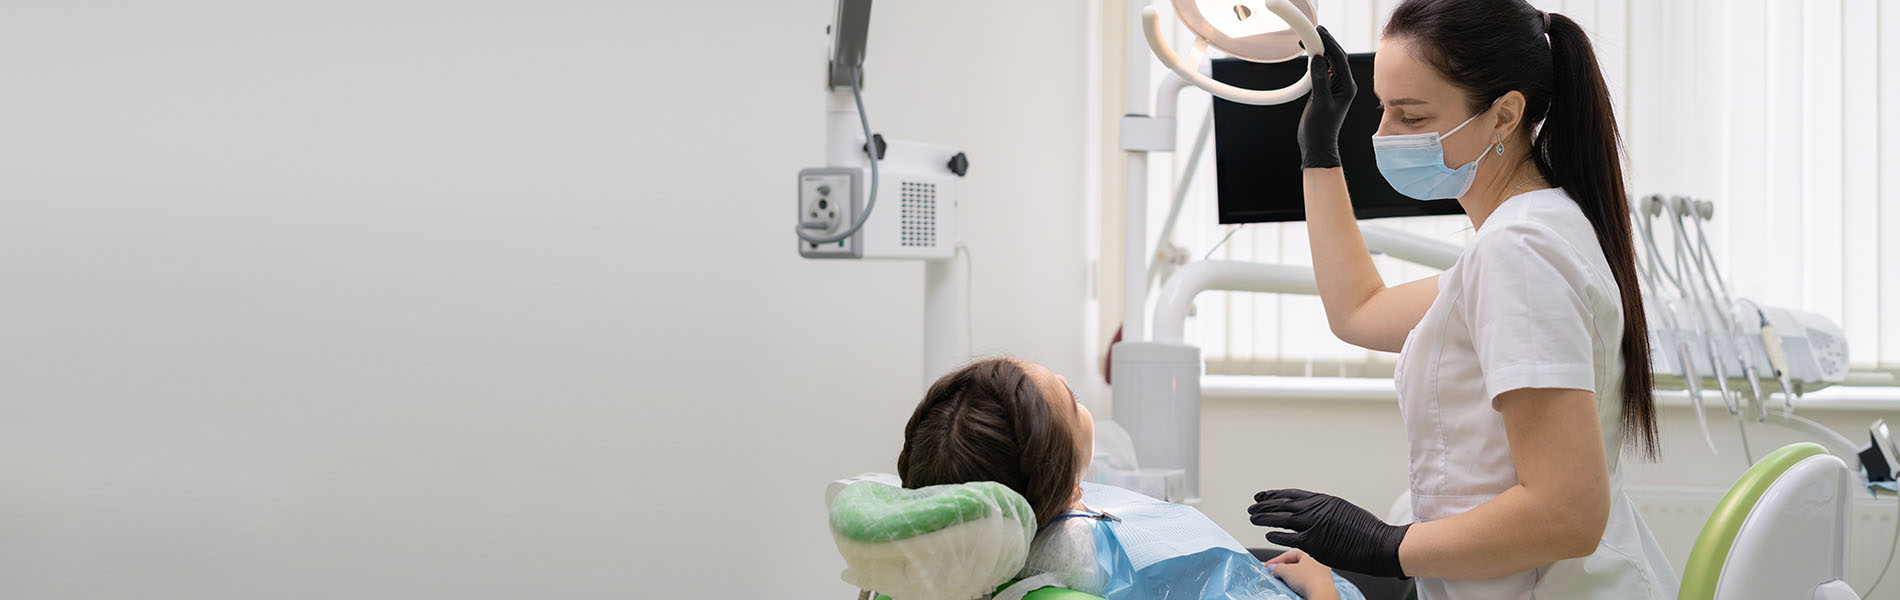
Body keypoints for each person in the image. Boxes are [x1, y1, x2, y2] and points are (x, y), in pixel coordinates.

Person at [1244, 0, 1678, 598]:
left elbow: (1568, 514)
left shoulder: (1519, 251)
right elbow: (1358, 311)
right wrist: (1320, 149)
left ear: (1503, 116)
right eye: (1381, 109)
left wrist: (1384, 545)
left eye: (1411, 116)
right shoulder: (1527, 231)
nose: (1383, 134)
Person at [899, 358, 1362, 600]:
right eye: (1072, 397)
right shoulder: (1129, 572)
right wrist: (1322, 589)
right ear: (1069, 488)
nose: (1066, 381)